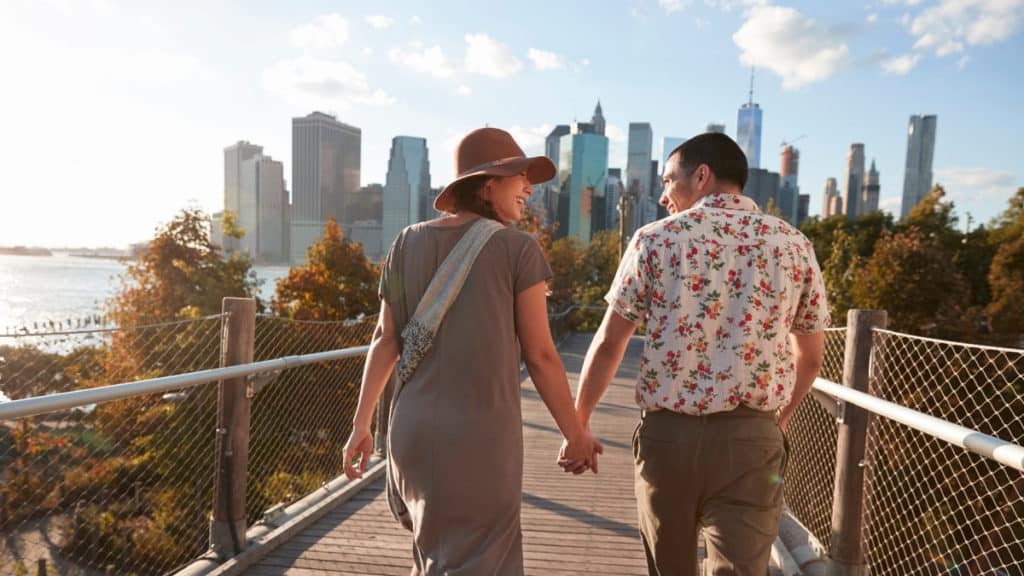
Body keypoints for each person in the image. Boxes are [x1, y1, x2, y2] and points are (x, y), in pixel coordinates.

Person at [566, 132, 830, 575]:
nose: (664, 194)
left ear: (702, 176)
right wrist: (778, 419)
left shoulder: (655, 240)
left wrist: (579, 425)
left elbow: (611, 342)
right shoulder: (793, 245)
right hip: (752, 440)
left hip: (670, 440)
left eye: (669, 180)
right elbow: (812, 356)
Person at [343, 127, 602, 575]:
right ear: (487, 183)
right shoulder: (518, 250)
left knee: (433, 558)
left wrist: (361, 425)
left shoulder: (405, 242)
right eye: (519, 176)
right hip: (480, 440)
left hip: (412, 433)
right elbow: (540, 356)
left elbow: (385, 340)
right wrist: (575, 432)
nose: (528, 187)